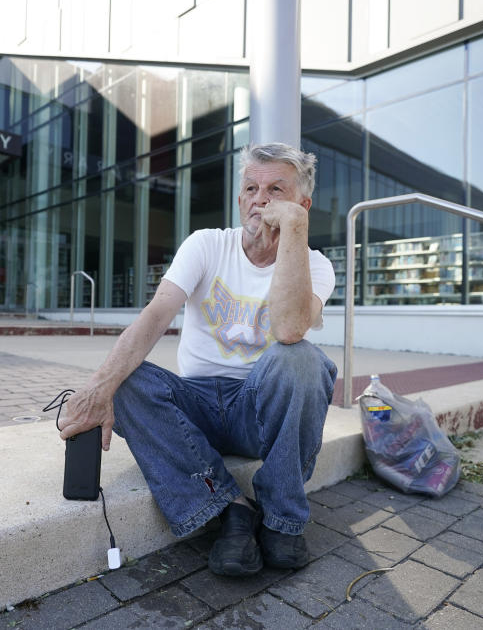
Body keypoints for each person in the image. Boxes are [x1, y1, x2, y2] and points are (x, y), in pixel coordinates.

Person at [58, 142, 337, 576]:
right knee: (128, 380)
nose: (259, 199)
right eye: (250, 188)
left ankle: (283, 520)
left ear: (302, 204)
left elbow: (288, 330)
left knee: (302, 359)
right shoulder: (207, 245)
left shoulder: (315, 265)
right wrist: (99, 385)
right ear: (240, 198)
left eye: (276, 190)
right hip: (198, 402)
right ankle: (230, 511)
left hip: (258, 408)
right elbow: (156, 314)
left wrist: (294, 233)